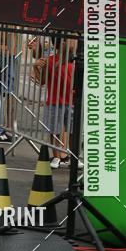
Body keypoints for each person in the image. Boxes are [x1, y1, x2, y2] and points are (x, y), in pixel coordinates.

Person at [33, 36, 75, 168]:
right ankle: (56, 157)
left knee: (73, 131)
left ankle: (73, 157)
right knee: (54, 130)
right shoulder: (50, 61)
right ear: (61, 44)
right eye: (69, 42)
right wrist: (35, 68)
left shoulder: (75, 61)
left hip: (72, 102)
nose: (73, 44)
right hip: (54, 101)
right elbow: (43, 81)